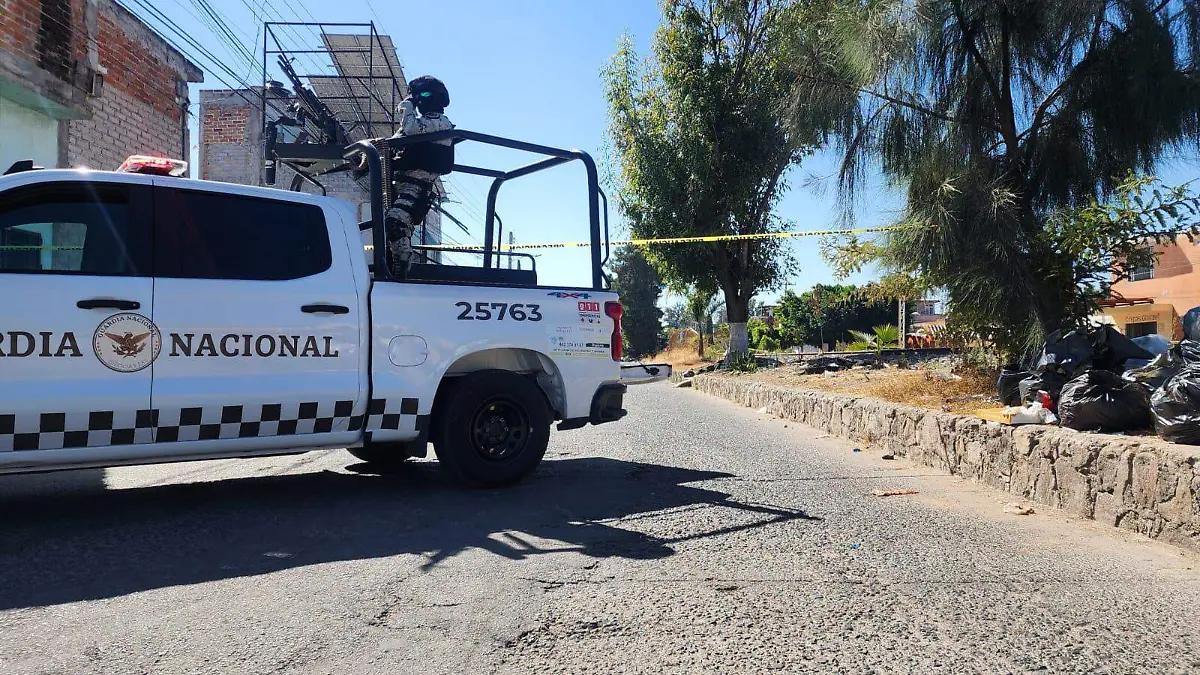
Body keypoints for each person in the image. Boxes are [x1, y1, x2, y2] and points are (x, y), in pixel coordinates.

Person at [384, 75, 454, 276]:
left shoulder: (440, 122)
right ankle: (395, 264)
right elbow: (397, 140)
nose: (417, 100)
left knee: (395, 223)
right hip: (402, 183)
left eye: (420, 96)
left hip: (416, 186)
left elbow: (410, 129)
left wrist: (407, 106)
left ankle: (402, 263)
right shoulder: (425, 123)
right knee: (393, 226)